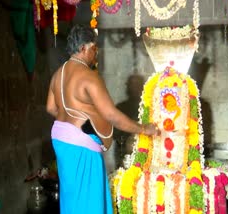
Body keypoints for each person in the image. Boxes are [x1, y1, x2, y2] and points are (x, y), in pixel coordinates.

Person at [46, 24, 159, 214]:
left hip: (60, 139)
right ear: (83, 49)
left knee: (72, 196)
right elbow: (111, 115)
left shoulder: (58, 74)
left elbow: (50, 107)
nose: (95, 54)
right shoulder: (88, 76)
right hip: (81, 146)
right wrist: (143, 129)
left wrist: (71, 120)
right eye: (94, 49)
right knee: (89, 202)